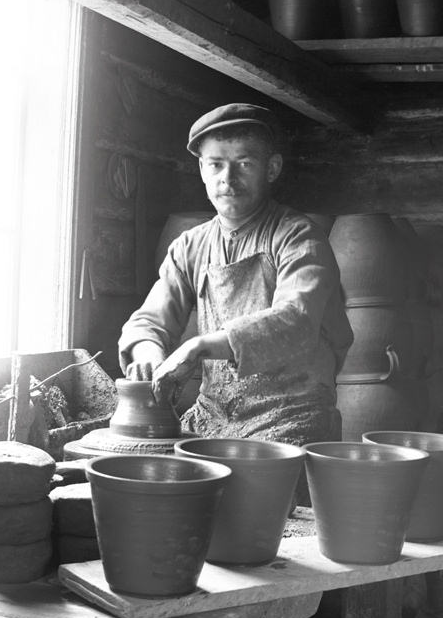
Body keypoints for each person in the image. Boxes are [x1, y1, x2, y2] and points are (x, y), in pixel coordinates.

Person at [118, 103, 352, 447]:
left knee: (259, 492)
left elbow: (295, 320)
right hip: (214, 414)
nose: (227, 178)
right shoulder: (190, 246)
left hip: (294, 414)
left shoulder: (299, 237)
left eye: (244, 163)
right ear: (201, 169)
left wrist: (198, 347)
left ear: (271, 169)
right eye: (216, 164)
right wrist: (146, 352)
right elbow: (149, 320)